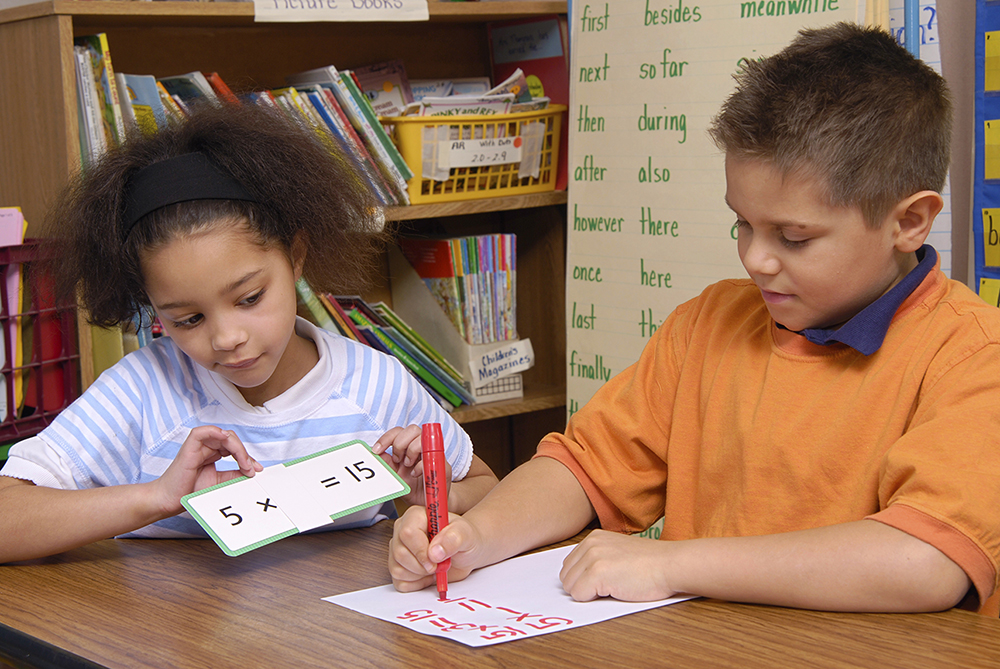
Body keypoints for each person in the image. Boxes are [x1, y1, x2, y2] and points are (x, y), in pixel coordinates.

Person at [389, 22, 1000, 615]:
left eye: (793, 237)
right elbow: (583, 467)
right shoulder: (709, 323)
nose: (755, 258)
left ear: (910, 222)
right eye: (743, 223)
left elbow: (927, 562)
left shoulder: (972, 354)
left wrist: (671, 563)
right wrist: (479, 537)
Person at [0, 102, 497, 563]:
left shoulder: (376, 386)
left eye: (249, 298)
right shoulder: (144, 390)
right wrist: (153, 498)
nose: (226, 338)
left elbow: (488, 491)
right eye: (187, 319)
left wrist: (425, 496)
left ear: (295, 257)